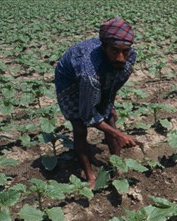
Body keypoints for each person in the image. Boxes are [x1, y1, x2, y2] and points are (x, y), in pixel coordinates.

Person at [55, 17, 139, 188]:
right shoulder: (89, 73)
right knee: (79, 126)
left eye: (125, 51)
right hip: (70, 82)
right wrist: (119, 135)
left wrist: (110, 104)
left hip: (97, 73)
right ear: (104, 47)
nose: (121, 57)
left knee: (109, 117)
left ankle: (117, 167)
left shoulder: (128, 58)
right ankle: (89, 176)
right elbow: (88, 115)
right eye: (115, 51)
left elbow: (114, 83)